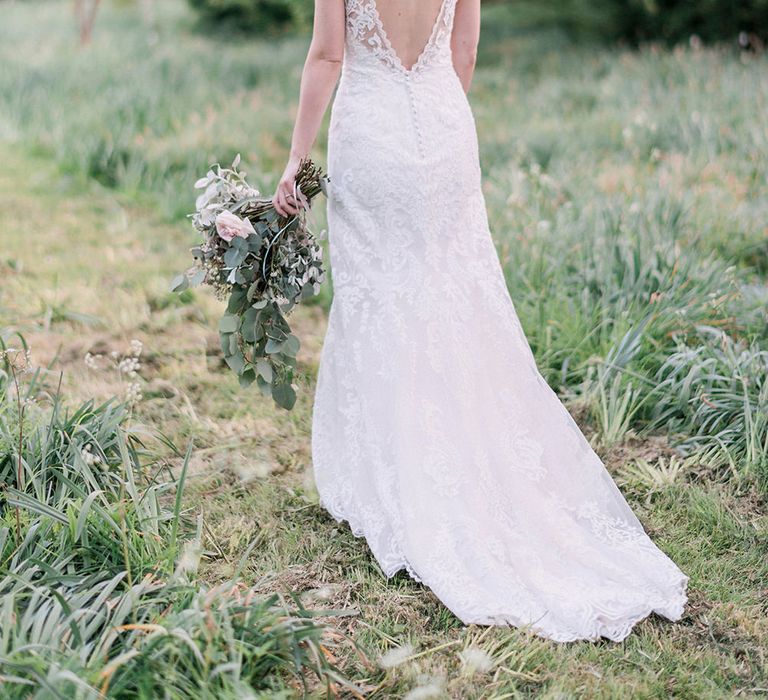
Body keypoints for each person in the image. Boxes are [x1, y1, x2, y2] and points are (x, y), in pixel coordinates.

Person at [272, 0, 688, 642]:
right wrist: (434, 131)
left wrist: (296, 158)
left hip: (371, 137)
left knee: (382, 295)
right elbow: (461, 55)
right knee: (456, 296)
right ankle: (463, 442)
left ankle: (403, 470)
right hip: (444, 133)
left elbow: (329, 55)